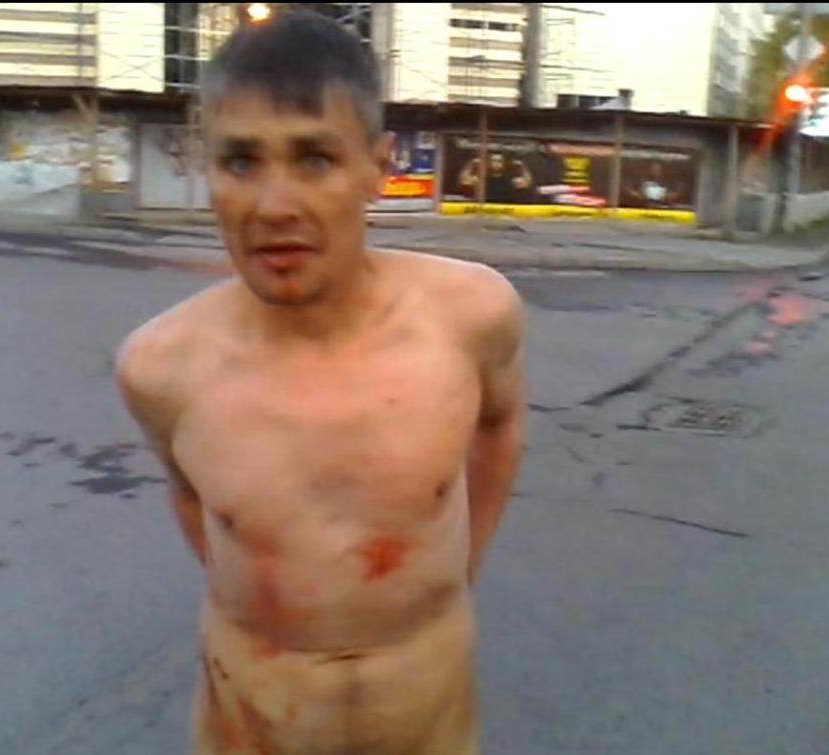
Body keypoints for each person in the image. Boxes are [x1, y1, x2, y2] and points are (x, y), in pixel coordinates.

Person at [116, 11, 524, 755]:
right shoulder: (160, 367)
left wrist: (447, 584)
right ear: (206, 169)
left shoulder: (472, 316)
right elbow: (192, 496)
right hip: (249, 727)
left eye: (314, 159)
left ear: (377, 167)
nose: (275, 207)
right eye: (241, 162)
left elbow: (499, 430)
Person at [459, 151, 534, 204]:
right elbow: (464, 180)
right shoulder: (481, 179)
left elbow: (527, 182)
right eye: (493, 161)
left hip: (505, 211)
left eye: (499, 161)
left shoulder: (510, 180)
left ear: (503, 163)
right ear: (488, 162)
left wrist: (521, 166)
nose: (496, 163)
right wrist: (471, 164)